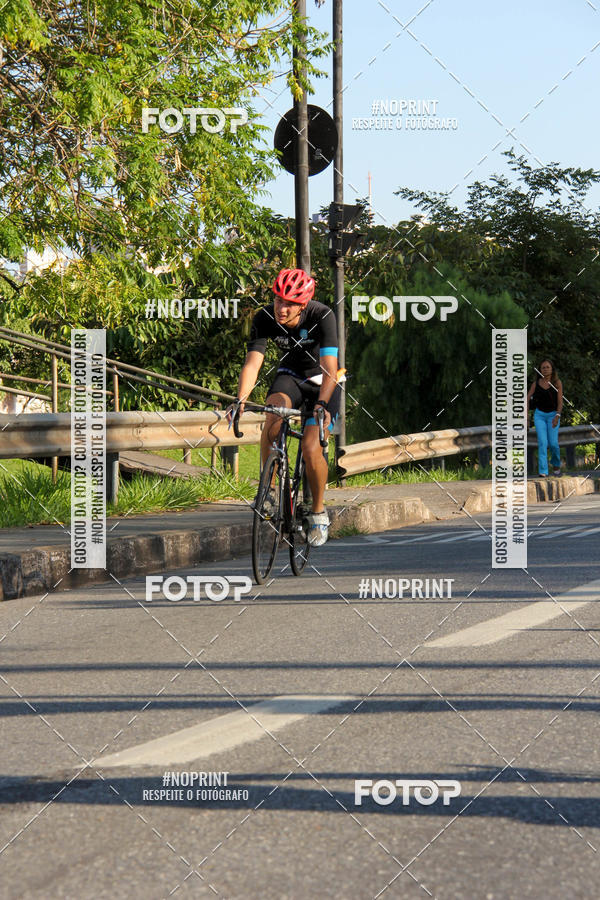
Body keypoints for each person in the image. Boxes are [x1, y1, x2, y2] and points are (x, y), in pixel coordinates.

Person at [229, 268, 341, 546]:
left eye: (290, 303)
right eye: (278, 300)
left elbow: (330, 368)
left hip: (323, 381)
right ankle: (269, 491)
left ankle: (318, 511)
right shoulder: (264, 317)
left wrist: (322, 404)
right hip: (290, 376)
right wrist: (241, 399)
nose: (282, 308)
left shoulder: (322, 315)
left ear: (303, 305)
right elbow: (252, 364)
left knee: (311, 447)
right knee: (272, 414)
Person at [526, 359, 563, 477]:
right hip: (540, 415)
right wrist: (526, 418)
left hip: (553, 415)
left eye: (548, 367)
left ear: (552, 369)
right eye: (543, 367)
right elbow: (526, 399)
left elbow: (560, 402)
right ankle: (543, 471)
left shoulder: (557, 383)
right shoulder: (536, 384)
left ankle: (556, 464)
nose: (545, 369)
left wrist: (557, 415)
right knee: (542, 442)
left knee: (553, 444)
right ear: (540, 370)